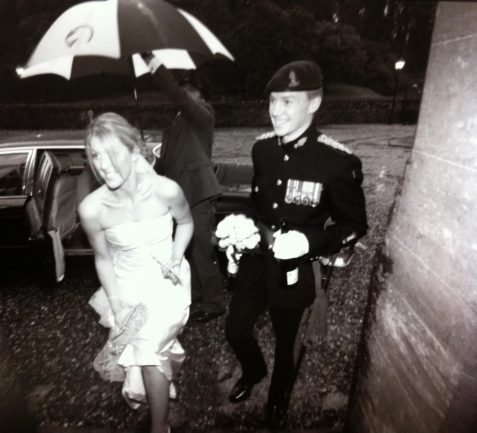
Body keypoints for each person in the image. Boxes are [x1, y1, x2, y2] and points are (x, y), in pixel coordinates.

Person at [225, 61, 368, 428]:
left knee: (287, 343)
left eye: (287, 101)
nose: (276, 111)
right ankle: (253, 371)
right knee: (236, 329)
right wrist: (241, 227)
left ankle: (277, 399)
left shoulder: (337, 162)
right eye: (273, 101)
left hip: (296, 268)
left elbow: (355, 225)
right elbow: (258, 203)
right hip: (258, 257)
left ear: (314, 103)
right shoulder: (262, 150)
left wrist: (308, 242)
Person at [78, 112, 193, 433]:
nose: (102, 165)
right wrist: (117, 307)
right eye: (95, 155)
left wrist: (176, 256)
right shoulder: (91, 209)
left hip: (167, 285)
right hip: (126, 288)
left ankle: (159, 427)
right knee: (147, 354)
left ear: (133, 151)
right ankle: (160, 416)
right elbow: (103, 259)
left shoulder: (166, 190)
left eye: (110, 153)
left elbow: (186, 223)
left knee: (150, 349)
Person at [141, 52, 225, 323]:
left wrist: (152, 62)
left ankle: (214, 302)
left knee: (202, 250)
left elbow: (178, 97)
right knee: (189, 250)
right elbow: (166, 166)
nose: (187, 92)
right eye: (185, 88)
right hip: (180, 197)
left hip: (198, 193)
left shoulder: (204, 114)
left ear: (202, 95)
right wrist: (150, 159)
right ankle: (197, 295)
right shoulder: (174, 125)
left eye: (193, 89)